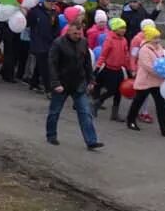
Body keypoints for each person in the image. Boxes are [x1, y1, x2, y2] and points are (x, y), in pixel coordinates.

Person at [48, 15, 103, 150]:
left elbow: (87, 63)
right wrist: (55, 83)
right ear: (68, 31)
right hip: (62, 83)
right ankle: (51, 135)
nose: (77, 35)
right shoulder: (58, 43)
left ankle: (91, 141)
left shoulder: (83, 42)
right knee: (55, 111)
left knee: (85, 112)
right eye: (75, 33)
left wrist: (91, 79)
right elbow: (52, 64)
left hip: (79, 83)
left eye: (79, 33)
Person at [125, 24, 165, 135]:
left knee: (160, 104)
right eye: (155, 38)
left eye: (158, 37)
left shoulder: (159, 47)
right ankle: (130, 120)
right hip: (145, 81)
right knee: (138, 102)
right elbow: (148, 66)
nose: (158, 40)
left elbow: (163, 60)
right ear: (149, 38)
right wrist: (161, 73)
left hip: (157, 82)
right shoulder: (144, 49)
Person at [93, 17, 131, 119]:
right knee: (112, 90)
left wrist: (128, 69)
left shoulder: (124, 40)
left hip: (119, 70)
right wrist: (97, 68)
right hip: (109, 69)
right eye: (121, 28)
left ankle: (114, 114)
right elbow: (103, 56)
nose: (124, 30)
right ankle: (97, 102)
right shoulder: (109, 40)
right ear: (115, 29)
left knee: (119, 92)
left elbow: (126, 56)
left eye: (125, 28)